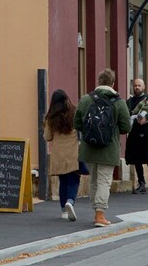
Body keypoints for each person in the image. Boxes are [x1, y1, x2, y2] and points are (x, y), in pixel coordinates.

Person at [73, 68, 131, 228]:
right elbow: (126, 127)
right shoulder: (118, 102)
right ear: (113, 83)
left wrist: (90, 132)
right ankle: (100, 214)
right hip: (109, 148)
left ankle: (96, 212)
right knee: (104, 181)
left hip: (89, 147)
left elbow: (76, 123)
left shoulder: (86, 99)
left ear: (98, 81)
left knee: (93, 180)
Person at [43, 89, 80, 221]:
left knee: (63, 181)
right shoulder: (75, 112)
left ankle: (64, 210)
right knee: (74, 180)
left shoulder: (51, 118)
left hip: (58, 154)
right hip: (73, 153)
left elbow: (47, 137)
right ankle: (70, 201)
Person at [124, 78, 148, 194]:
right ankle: (141, 183)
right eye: (135, 85)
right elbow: (127, 115)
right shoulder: (129, 102)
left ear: (144, 87)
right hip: (135, 133)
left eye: (139, 85)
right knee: (137, 158)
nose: (137, 87)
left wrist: (147, 118)